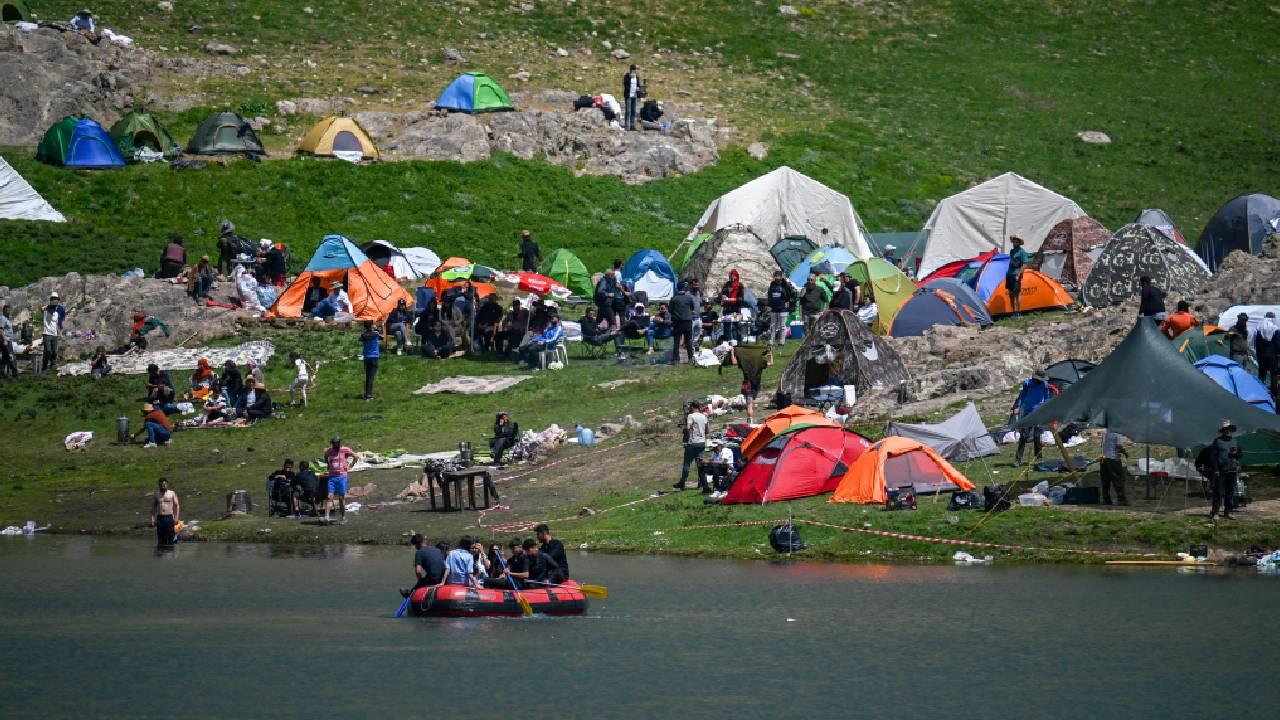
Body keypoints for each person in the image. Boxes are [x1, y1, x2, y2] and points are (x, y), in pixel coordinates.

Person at [1011, 369, 1055, 465]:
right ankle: (1018, 460)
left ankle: (1039, 459)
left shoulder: (1045, 385)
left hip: (1039, 413)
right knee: (1024, 436)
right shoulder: (1027, 384)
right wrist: (1018, 406)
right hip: (1028, 412)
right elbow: (1022, 396)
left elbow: (1047, 397)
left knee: (1036, 436)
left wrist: (1046, 407)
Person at [1203, 420, 1241, 520]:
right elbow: (1213, 456)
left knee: (1230, 492)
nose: (1228, 431)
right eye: (1226, 430)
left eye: (1230, 430)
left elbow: (1240, 455)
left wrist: (1236, 454)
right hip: (1220, 471)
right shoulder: (1217, 441)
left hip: (1232, 470)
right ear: (1223, 431)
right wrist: (1215, 469)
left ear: (1232, 431)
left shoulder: (1235, 441)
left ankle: (1228, 512)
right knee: (1218, 492)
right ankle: (1215, 512)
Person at [674, 401, 709, 491]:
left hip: (692, 443)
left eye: (690, 407)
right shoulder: (704, 416)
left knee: (687, 464)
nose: (689, 408)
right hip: (702, 443)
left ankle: (682, 483)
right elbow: (707, 430)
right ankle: (701, 483)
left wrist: (684, 429)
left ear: (693, 407)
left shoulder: (691, 416)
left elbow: (688, 428)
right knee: (700, 464)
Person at [323, 436, 356, 524]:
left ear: (339, 443)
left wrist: (351, 465)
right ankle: (326, 517)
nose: (335, 445)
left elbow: (355, 456)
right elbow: (325, 456)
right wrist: (328, 464)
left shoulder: (345, 449)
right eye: (333, 443)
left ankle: (343, 517)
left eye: (336, 443)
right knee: (329, 496)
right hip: (332, 477)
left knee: (341, 498)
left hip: (342, 477)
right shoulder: (329, 450)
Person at [1100, 428, 1130, 506]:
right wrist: (1125, 452)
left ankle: (1106, 499)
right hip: (1113, 459)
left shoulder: (1105, 432)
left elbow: (1103, 445)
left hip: (1103, 458)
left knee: (1105, 480)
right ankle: (1121, 500)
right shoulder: (1117, 433)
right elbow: (1118, 446)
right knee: (1117, 479)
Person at [669, 282, 697, 365]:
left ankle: (676, 360)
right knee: (688, 341)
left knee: (676, 341)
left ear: (677, 288)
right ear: (684, 289)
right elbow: (692, 308)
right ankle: (690, 359)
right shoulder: (689, 298)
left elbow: (670, 310)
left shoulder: (673, 299)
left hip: (677, 322)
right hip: (688, 321)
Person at [1253, 312, 1278, 397]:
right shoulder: (1275, 329)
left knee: (1261, 373)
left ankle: (1259, 392)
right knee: (1273, 374)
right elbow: (1278, 345)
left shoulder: (1258, 328)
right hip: (1272, 356)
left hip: (1261, 355)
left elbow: (1254, 342)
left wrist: (1257, 352)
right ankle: (1273, 393)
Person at [150, 478, 180, 546]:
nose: (162, 486)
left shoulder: (172, 493)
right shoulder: (156, 494)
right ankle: (161, 554)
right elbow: (153, 507)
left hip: (169, 517)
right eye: (161, 485)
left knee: (170, 538)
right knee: (161, 539)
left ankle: (171, 554)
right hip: (160, 518)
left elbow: (177, 505)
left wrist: (176, 518)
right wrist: (152, 518)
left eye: (164, 485)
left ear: (167, 484)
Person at [41, 292, 65, 373]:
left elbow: (59, 321)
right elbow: (42, 309)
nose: (55, 302)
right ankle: (44, 366)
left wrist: (59, 329)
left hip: (55, 333)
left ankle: (52, 365)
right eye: (53, 300)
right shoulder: (46, 309)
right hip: (47, 333)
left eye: (56, 300)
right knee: (48, 350)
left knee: (54, 351)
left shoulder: (58, 311)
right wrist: (47, 306)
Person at [1006, 236, 1031, 316]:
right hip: (1009, 274)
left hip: (1016, 274)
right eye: (1013, 241)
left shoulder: (1022, 252)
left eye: (1016, 242)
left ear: (1019, 243)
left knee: (1017, 294)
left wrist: (1019, 274)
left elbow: (1025, 264)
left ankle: (1018, 312)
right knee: (1011, 294)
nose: (1014, 243)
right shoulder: (1011, 251)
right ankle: (1013, 312)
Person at [359, 320, 381, 401]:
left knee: (368, 376)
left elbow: (360, 339)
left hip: (366, 357)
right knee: (371, 377)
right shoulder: (375, 334)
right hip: (374, 357)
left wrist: (365, 330)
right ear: (371, 325)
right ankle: (369, 395)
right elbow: (382, 337)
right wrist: (376, 328)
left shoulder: (363, 335)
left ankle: (366, 394)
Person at [622, 63, 642, 131]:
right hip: (628, 95)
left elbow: (638, 84)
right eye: (632, 70)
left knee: (633, 111)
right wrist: (630, 77)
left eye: (634, 70)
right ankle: (627, 126)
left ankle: (632, 125)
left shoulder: (637, 77)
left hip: (634, 95)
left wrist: (638, 88)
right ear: (630, 70)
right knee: (628, 111)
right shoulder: (627, 76)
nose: (634, 71)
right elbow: (625, 84)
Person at [0, 305, 18, 378]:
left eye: (9, 310)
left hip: (8, 340)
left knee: (4, 357)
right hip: (6, 340)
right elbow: (0, 330)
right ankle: (15, 373)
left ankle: (1, 373)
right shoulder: (2, 318)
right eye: (7, 310)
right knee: (11, 357)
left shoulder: (8, 319)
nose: (8, 312)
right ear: (3, 311)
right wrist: (4, 340)